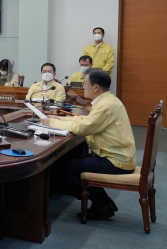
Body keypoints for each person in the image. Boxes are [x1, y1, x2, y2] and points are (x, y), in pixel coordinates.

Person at [42, 69, 136, 220]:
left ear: (96, 87)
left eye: (85, 84)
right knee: (72, 163)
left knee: (69, 167)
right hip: (114, 154)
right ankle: (105, 203)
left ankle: (101, 205)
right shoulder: (107, 100)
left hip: (116, 160)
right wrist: (58, 120)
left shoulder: (106, 105)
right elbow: (85, 121)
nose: (83, 87)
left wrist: (52, 122)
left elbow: (83, 128)